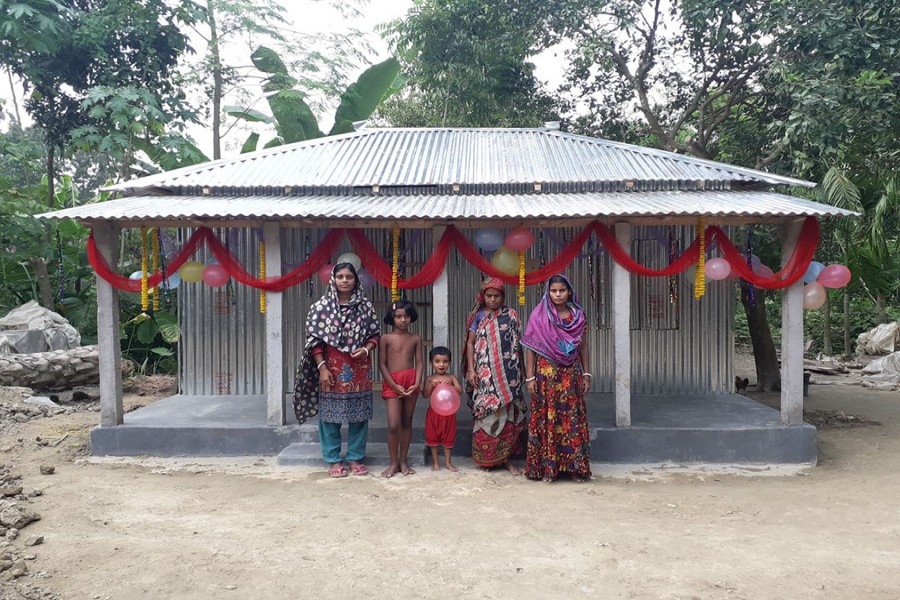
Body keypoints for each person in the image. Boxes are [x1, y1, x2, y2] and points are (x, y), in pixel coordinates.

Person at [293, 262, 380, 478]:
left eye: (348, 276)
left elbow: (375, 334)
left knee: (359, 415)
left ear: (355, 280)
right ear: (333, 279)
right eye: (340, 276)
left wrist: (366, 350)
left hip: (359, 368)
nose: (344, 280)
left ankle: (355, 457)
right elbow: (314, 341)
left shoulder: (365, 307)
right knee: (330, 416)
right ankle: (333, 460)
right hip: (330, 367)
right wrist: (322, 368)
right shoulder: (320, 308)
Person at [521, 274, 592, 483]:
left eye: (562, 290)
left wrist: (586, 374)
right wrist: (530, 378)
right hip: (546, 376)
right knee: (548, 418)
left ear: (569, 291)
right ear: (548, 292)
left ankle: (574, 468)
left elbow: (583, 346)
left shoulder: (578, 316)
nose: (558, 294)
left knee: (571, 420)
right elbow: (531, 349)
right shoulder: (539, 316)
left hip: (571, 374)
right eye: (554, 291)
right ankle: (547, 469)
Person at [463, 277, 527, 475]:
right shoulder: (477, 316)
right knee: (487, 413)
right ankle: (488, 459)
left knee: (509, 414)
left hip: (509, 374)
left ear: (503, 296)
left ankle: (505, 459)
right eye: (489, 296)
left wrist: (523, 369)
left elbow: (518, 344)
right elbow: (471, 343)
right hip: (484, 375)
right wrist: (472, 370)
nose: (492, 299)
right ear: (483, 297)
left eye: (496, 296)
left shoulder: (511, 315)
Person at [378, 300, 423, 478]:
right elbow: (382, 364)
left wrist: (416, 382)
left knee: (406, 421)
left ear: (411, 317)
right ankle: (393, 462)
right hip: (392, 381)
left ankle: (403, 461)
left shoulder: (416, 338)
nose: (403, 320)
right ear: (392, 318)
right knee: (393, 424)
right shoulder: (385, 338)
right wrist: (393, 385)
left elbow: (419, 363)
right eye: (398, 316)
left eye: (406, 316)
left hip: (411, 380)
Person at [422, 346, 462, 472]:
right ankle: (435, 463)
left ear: (449, 362)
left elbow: (460, 391)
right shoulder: (429, 379)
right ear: (431, 363)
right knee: (433, 438)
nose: (441, 365)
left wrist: (450, 386)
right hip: (433, 414)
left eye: (445, 361)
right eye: (437, 361)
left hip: (449, 413)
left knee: (448, 438)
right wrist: (431, 385)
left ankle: (448, 462)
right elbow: (425, 394)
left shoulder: (451, 378)